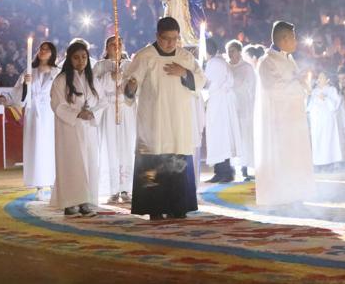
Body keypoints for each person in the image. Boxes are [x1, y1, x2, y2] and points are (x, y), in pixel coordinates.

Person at [123, 17, 206, 220]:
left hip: (178, 120)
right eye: (166, 38)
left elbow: (201, 81)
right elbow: (129, 85)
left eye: (175, 39)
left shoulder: (185, 58)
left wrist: (185, 73)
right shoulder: (144, 56)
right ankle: (154, 208)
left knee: (178, 158)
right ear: (157, 36)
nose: (171, 43)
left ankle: (178, 206)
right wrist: (131, 86)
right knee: (153, 159)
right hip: (154, 120)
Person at [254, 21, 315, 206]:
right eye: (294, 38)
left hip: (294, 118)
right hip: (278, 121)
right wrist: (297, 81)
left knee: (295, 156)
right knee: (281, 156)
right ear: (284, 39)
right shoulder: (267, 61)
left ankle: (295, 194)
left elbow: (297, 85)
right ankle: (279, 197)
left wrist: (303, 80)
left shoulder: (288, 58)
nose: (296, 42)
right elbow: (275, 89)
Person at [50, 39, 106, 217]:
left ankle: (86, 201)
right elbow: (57, 105)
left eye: (84, 57)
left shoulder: (93, 80)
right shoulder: (61, 80)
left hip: (88, 128)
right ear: (69, 59)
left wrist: (92, 113)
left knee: (88, 163)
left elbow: (103, 102)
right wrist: (76, 114)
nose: (81, 61)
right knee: (71, 164)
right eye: (76, 58)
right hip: (69, 129)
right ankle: (70, 202)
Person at [12, 41, 59, 201]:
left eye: (46, 49)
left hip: (51, 113)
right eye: (41, 49)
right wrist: (25, 84)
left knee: (52, 148)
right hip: (34, 113)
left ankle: (54, 184)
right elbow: (18, 95)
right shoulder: (29, 71)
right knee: (36, 147)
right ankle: (39, 186)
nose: (43, 51)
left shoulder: (57, 72)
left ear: (52, 53)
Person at [93, 36, 136, 204]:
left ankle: (126, 187)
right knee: (110, 146)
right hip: (109, 109)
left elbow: (136, 86)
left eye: (119, 45)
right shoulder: (100, 66)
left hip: (125, 109)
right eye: (112, 45)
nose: (116, 48)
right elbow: (93, 85)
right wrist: (108, 77)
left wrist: (128, 83)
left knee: (126, 146)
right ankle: (112, 189)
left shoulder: (129, 65)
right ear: (107, 47)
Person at [204, 38, 242, 183]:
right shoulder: (218, 62)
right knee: (219, 138)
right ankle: (221, 171)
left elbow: (211, 84)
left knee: (220, 137)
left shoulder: (215, 63)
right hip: (220, 104)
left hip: (220, 104)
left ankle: (224, 172)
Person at [228, 39, 256, 181]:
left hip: (244, 106)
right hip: (230, 106)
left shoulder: (247, 68)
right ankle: (231, 168)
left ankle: (245, 168)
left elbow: (253, 87)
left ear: (239, 52)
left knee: (244, 137)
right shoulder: (226, 67)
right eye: (229, 51)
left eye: (233, 50)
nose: (230, 53)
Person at [307, 72, 342, 167]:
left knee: (328, 139)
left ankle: (330, 162)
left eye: (322, 77)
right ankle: (318, 162)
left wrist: (325, 98)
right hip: (316, 120)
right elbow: (309, 106)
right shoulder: (314, 91)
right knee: (317, 140)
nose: (319, 79)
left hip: (327, 119)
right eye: (318, 77)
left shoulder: (332, 90)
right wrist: (308, 95)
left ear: (327, 80)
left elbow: (336, 104)